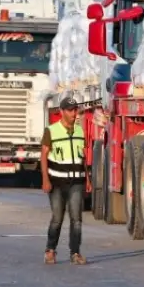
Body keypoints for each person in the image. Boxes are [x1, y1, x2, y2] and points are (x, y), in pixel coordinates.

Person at [41, 98, 89, 265]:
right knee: (57, 218)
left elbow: (83, 157)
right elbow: (44, 156)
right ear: (61, 111)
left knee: (76, 219)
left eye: (75, 110)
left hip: (76, 181)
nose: (73, 113)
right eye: (69, 110)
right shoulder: (51, 131)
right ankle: (50, 250)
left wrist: (88, 179)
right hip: (56, 182)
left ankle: (75, 252)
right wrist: (45, 179)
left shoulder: (79, 131)